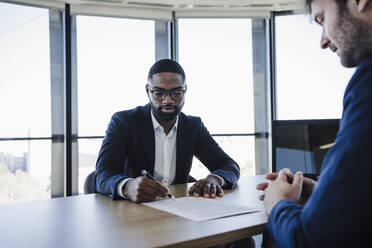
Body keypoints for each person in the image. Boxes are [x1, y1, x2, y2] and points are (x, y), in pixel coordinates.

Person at [257, 0, 372, 247]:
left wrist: (277, 203)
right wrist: (326, 193)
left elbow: (311, 240)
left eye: (321, 20)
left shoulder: (368, 85)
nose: (323, 41)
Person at [93, 59, 240, 203]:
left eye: (176, 93)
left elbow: (229, 166)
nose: (168, 100)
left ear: (185, 91)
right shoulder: (124, 122)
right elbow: (103, 174)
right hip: (132, 210)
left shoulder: (193, 126)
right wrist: (126, 186)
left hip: (176, 207)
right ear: (147, 91)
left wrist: (214, 179)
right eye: (158, 93)